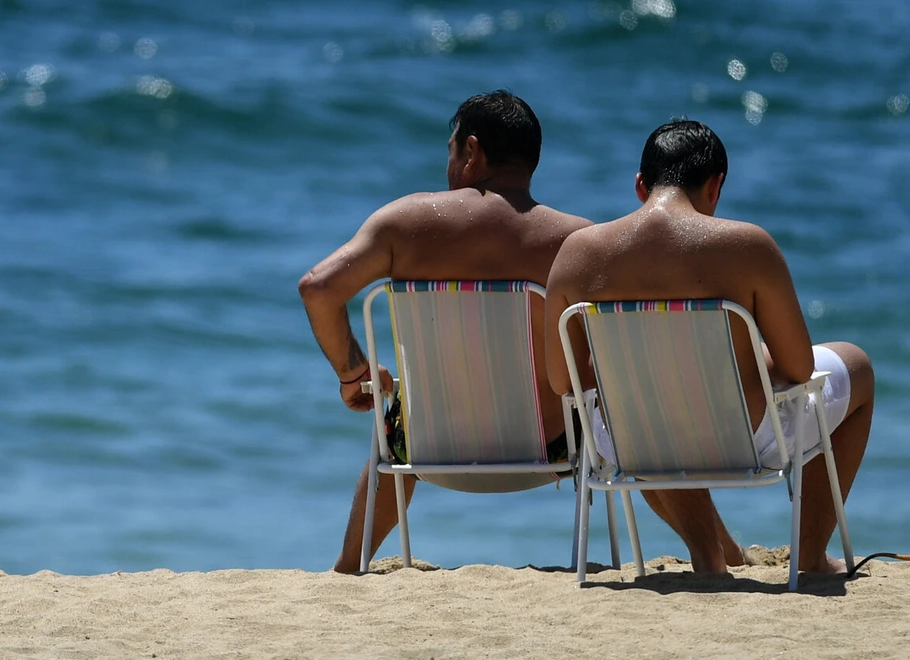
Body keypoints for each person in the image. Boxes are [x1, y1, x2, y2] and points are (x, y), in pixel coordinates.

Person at [545, 119, 874, 574]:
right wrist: (749, 357)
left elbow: (563, 382)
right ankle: (810, 555)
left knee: (652, 404)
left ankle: (708, 553)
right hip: (742, 441)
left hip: (629, 443)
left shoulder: (577, 253)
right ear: (715, 186)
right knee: (858, 366)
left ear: (640, 185)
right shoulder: (748, 246)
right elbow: (799, 368)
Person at [298, 90, 598, 573]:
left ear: (472, 152)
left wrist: (353, 374)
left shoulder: (404, 223)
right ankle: (711, 550)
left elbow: (317, 289)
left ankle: (349, 564)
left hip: (423, 449)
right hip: (550, 449)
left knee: (394, 421)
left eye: (451, 150)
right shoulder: (579, 240)